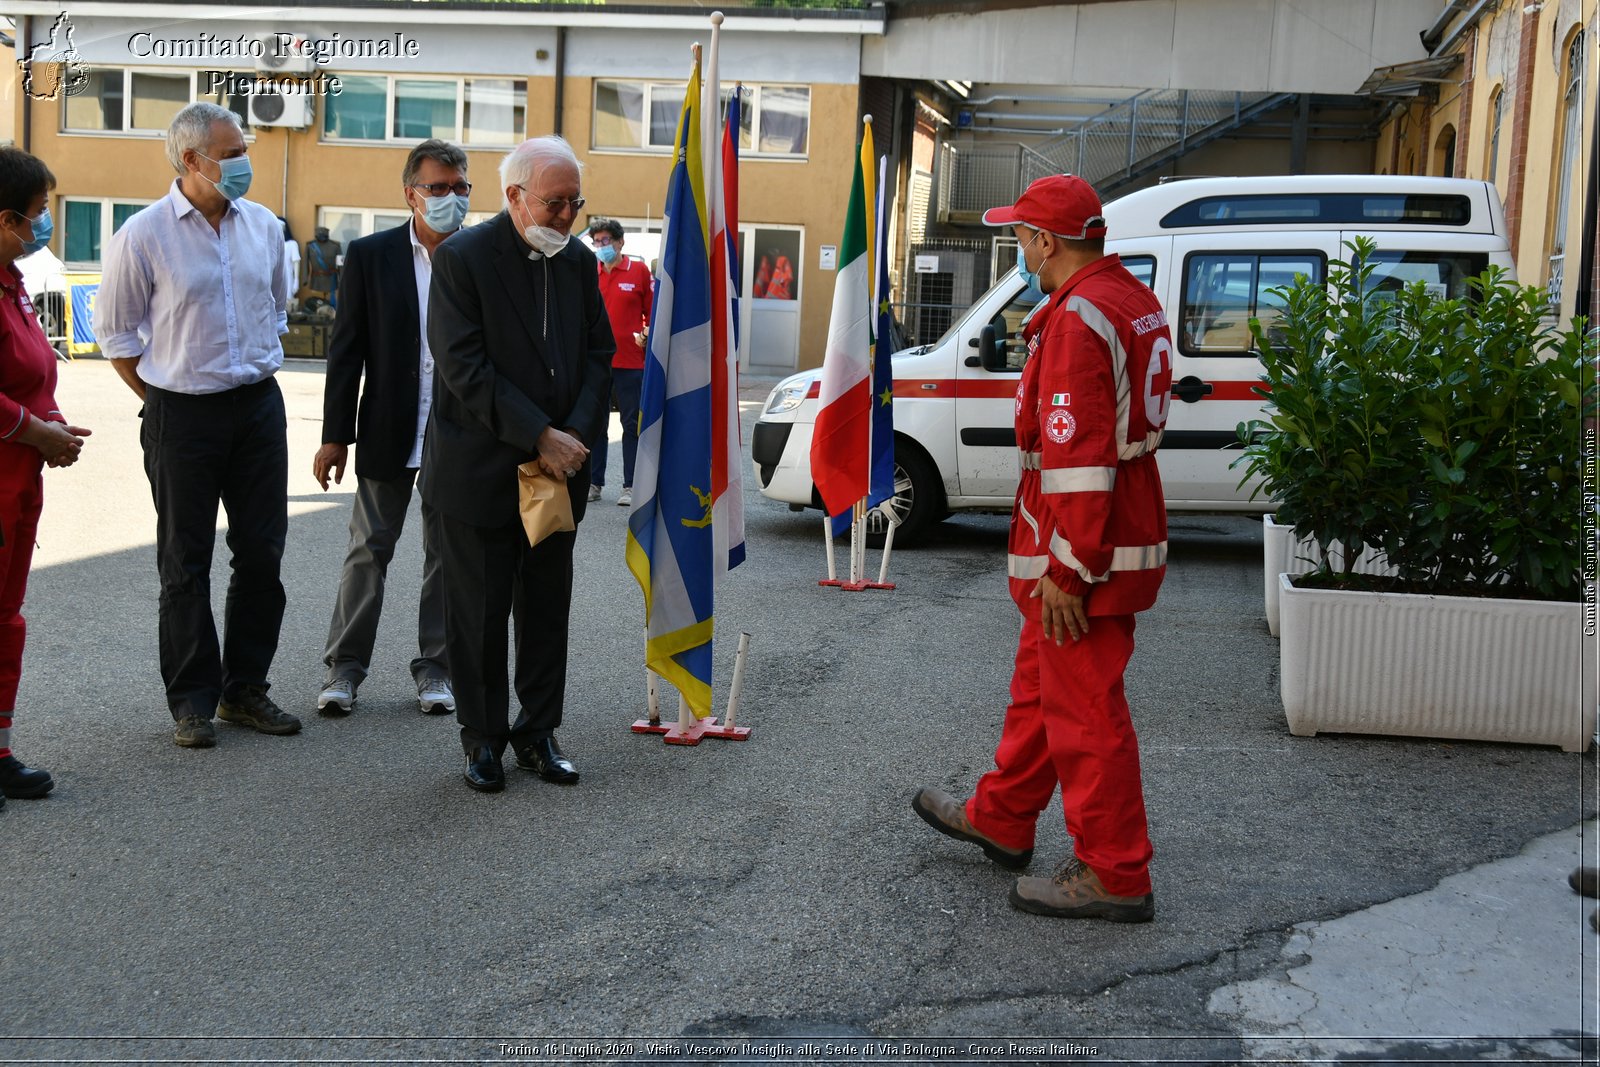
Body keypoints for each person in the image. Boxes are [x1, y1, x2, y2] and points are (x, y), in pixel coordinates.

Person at [912, 174, 1173, 922]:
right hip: (1111, 525)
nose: (1019, 247)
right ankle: (1003, 814)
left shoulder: (1077, 318)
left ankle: (1114, 871)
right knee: (1041, 687)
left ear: (1046, 242)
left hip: (1083, 541)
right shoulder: (1125, 295)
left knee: (1086, 711)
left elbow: (1079, 459)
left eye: (1022, 236)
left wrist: (1069, 567)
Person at [95, 101, 298, 749]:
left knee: (262, 553)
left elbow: (278, 307)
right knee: (185, 559)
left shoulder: (264, 227)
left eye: (244, 151)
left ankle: (246, 689)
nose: (244, 164)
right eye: (233, 153)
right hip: (181, 411)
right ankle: (192, 700)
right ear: (192, 159)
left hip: (258, 406)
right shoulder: (143, 234)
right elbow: (118, 336)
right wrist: (161, 397)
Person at [423, 135, 614, 793]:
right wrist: (540, 434)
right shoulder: (463, 261)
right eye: (555, 204)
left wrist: (574, 436)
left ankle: (538, 733)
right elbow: (464, 369)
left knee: (545, 605)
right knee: (477, 614)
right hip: (479, 469)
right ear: (514, 197)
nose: (567, 216)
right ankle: (483, 740)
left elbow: (598, 356)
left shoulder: (579, 264)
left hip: (556, 473)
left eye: (575, 204)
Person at [312, 140, 466, 717]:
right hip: (388, 427)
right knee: (368, 551)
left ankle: (436, 672)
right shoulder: (371, 256)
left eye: (460, 188)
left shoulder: (479, 255)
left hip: (458, 433)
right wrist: (335, 435)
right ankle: (344, 670)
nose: (452, 198)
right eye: (439, 188)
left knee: (447, 556)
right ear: (411, 194)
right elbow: (345, 352)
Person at [0, 147, 89, 804]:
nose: (43, 227)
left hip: (18, 478)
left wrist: (52, 427)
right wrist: (36, 431)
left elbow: (33, 372)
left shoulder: (12, 281)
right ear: (6, 219)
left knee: (6, 619)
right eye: (36, 216)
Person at [585, 217, 652, 507]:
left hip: (631, 362)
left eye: (605, 241)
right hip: (597, 362)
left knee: (631, 425)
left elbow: (652, 312)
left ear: (620, 241)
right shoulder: (590, 272)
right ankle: (593, 483)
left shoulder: (638, 271)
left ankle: (630, 485)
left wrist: (648, 335)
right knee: (595, 425)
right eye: (596, 242)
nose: (601, 247)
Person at [305, 225, 341, 306]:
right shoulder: (310, 246)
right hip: (316, 280)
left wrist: (341, 278)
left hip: (331, 280)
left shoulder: (336, 246)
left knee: (332, 303)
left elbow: (340, 265)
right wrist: (305, 279)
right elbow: (305, 264)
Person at [278, 216, 300, 309]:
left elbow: (296, 262)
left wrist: (296, 280)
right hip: (273, 276)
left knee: (286, 303)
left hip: (287, 277)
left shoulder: (292, 244)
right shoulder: (270, 242)